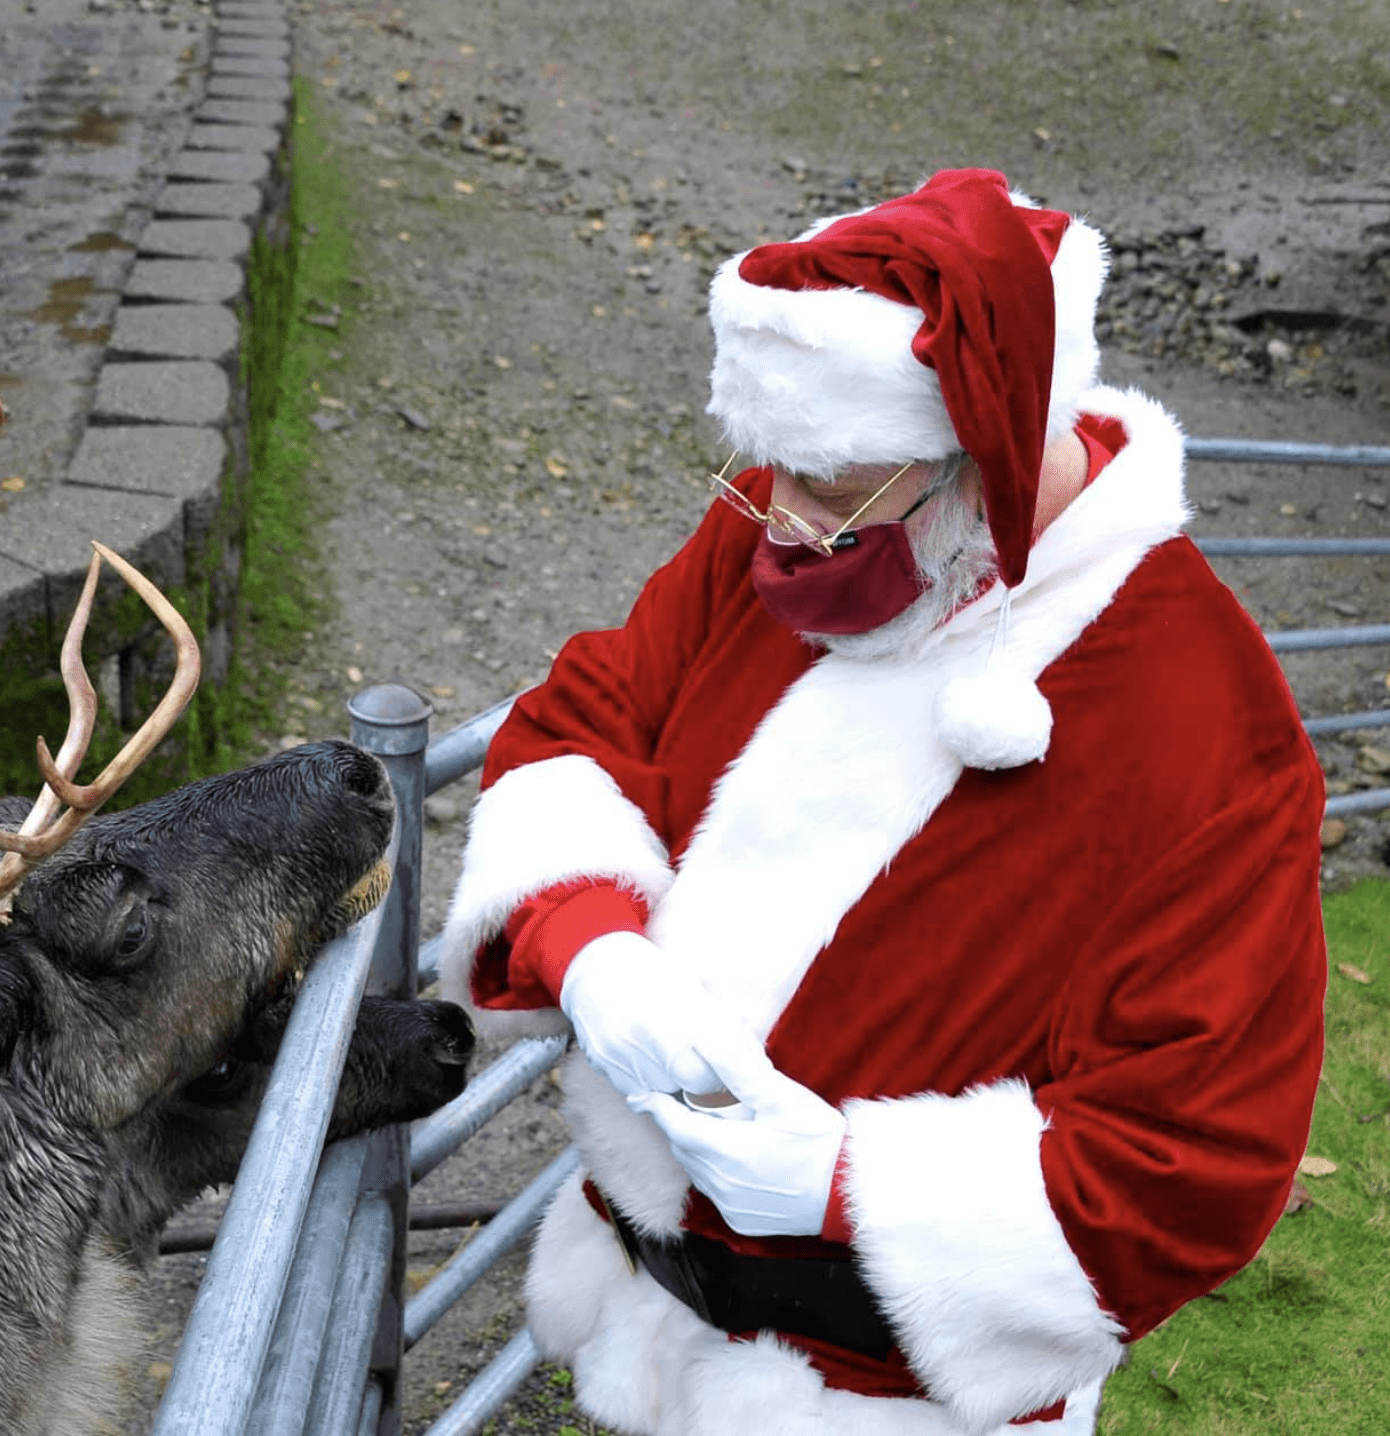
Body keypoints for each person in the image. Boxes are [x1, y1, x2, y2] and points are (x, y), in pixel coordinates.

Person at [438, 168, 1327, 1435]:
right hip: (652, 1315)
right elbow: (592, 713)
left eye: (835, 486)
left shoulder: (1204, 720)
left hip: (883, 1398)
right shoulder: (801, 514)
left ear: (996, 462)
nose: (779, 526)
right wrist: (587, 950)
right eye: (766, 471)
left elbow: (1198, 1151)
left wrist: (840, 1185)